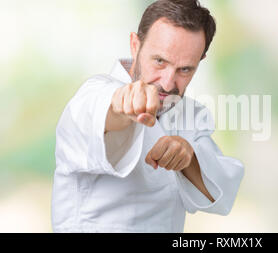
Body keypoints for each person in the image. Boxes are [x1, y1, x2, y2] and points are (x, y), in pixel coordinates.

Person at [51, 0, 244, 233]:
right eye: (160, 61)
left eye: (185, 69)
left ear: (199, 62)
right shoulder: (95, 93)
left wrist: (188, 158)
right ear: (135, 45)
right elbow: (101, 112)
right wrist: (124, 106)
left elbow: (222, 194)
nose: (168, 82)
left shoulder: (192, 115)